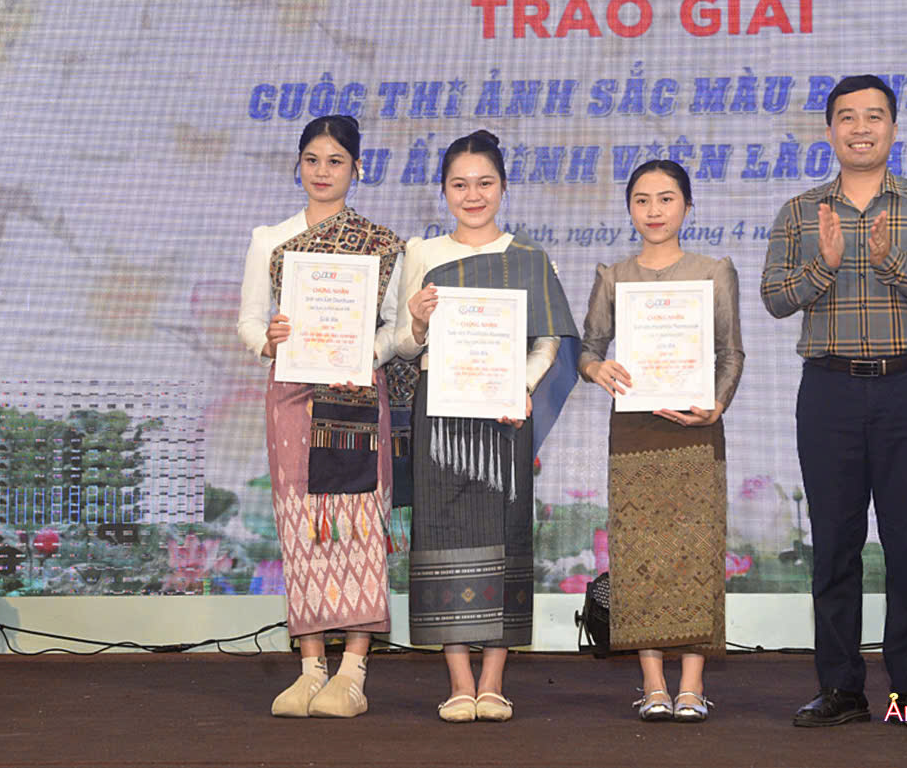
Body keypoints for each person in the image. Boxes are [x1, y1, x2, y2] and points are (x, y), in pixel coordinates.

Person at [760, 75, 907, 732]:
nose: (860, 128)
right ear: (829, 131)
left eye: (873, 116)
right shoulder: (800, 211)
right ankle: (840, 689)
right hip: (828, 391)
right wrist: (824, 264)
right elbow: (774, 297)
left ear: (893, 129)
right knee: (834, 545)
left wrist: (893, 262)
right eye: (847, 117)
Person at [394, 129, 578, 723]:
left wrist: (520, 385)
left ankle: (494, 682)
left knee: (506, 535)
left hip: (503, 411)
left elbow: (547, 341)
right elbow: (401, 344)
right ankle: (458, 682)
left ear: (503, 187)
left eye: (484, 183)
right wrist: (416, 322)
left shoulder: (529, 257)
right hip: (440, 414)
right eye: (460, 184)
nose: (472, 196)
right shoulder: (422, 254)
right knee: (440, 535)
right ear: (443, 190)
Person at [237, 114, 408, 718]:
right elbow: (249, 322)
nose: (322, 171)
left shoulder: (381, 244)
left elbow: (399, 331)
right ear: (298, 164)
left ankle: (353, 672)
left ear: (356, 169)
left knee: (358, 527)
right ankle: (311, 670)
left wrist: (366, 352)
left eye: (335, 161)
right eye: (312, 159)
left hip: (355, 397)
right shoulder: (271, 239)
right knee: (302, 529)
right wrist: (268, 340)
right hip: (291, 397)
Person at [579, 160, 744, 723]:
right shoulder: (614, 276)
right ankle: (652, 684)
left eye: (667, 199)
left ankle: (692, 685)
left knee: (696, 552)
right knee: (639, 557)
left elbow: (730, 352)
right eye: (642, 200)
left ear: (687, 207)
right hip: (634, 429)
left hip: (696, 427)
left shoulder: (714, 272)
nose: (654, 211)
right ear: (630, 208)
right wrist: (595, 368)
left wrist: (716, 403)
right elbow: (589, 347)